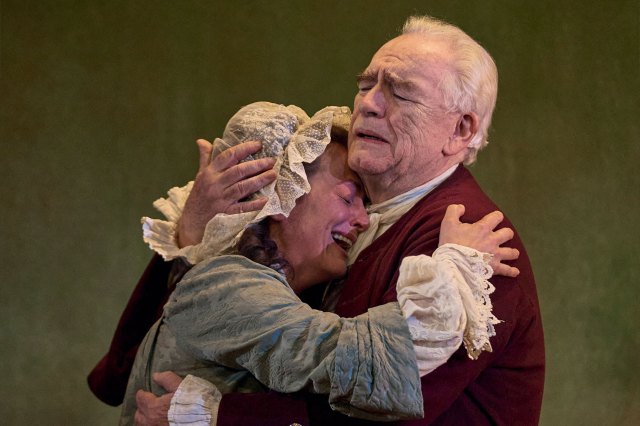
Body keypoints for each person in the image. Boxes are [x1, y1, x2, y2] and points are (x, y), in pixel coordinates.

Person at [91, 14, 545, 425]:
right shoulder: (309, 236)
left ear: (460, 130)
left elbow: (386, 403)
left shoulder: (472, 245)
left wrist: (214, 415)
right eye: (366, 84)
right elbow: (138, 360)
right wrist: (199, 231)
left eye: (400, 91)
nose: (369, 103)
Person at [118, 101, 518, 425]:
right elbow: (364, 367)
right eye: (347, 198)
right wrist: (454, 269)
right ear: (281, 199)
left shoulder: (275, 289)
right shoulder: (228, 283)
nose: (363, 220)